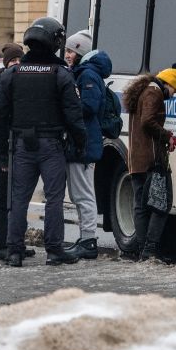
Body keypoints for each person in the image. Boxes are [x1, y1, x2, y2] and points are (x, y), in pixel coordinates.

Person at [0, 17, 86, 267]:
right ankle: (54, 250)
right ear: (56, 41)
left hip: (21, 144)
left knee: (19, 198)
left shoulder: (12, 73)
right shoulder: (61, 74)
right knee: (54, 199)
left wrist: (2, 146)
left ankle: (14, 251)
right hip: (52, 144)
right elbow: (74, 114)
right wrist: (80, 142)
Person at [122, 68, 176, 261]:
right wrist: (167, 136)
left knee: (141, 205)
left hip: (137, 160)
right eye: (175, 90)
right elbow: (147, 121)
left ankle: (143, 252)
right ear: (168, 83)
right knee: (161, 204)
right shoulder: (153, 92)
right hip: (151, 162)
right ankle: (150, 250)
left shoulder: (143, 91)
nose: (173, 95)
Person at [0, 44, 38, 261]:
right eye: (12, 61)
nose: (16, 64)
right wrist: (0, 156)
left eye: (19, 60)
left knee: (18, 198)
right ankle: (0, 244)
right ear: (5, 64)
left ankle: (16, 241)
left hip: (18, 148)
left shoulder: (21, 84)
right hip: (1, 149)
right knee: (0, 198)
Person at [64, 47, 113, 260]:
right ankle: (85, 238)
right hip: (83, 143)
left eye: (70, 51)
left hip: (83, 144)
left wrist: (65, 107)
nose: (67, 54)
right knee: (79, 193)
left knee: (83, 194)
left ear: (81, 54)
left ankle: (88, 240)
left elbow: (88, 106)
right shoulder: (86, 74)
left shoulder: (87, 75)